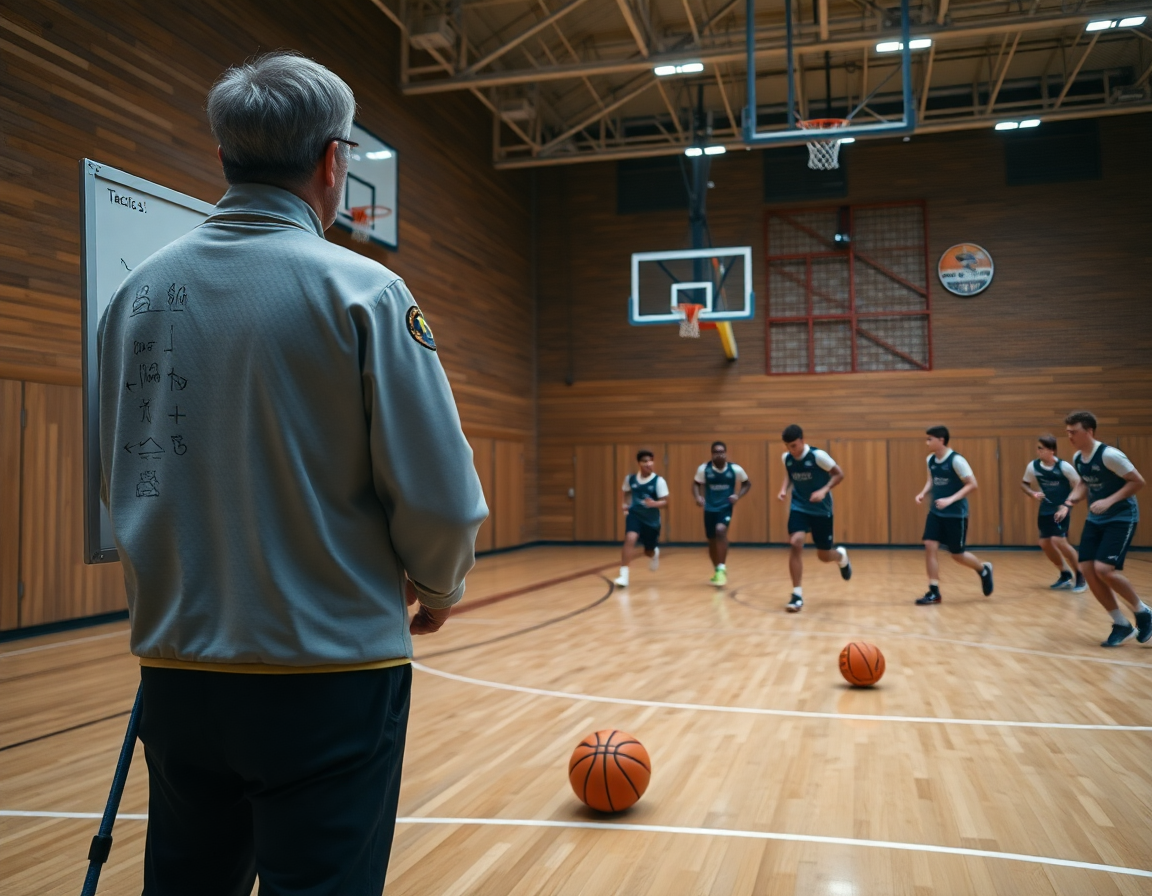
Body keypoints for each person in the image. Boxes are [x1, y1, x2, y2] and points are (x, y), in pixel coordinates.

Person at [97, 52, 487, 896]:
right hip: (330, 678)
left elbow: (120, 476)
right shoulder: (367, 291)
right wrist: (439, 586)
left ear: (223, 156)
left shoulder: (136, 297)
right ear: (332, 162)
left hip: (177, 669)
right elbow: (443, 497)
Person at [1055, 410, 1150, 647]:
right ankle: (1121, 624)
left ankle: (1143, 611)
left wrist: (1109, 501)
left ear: (1089, 431)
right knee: (1087, 569)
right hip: (1096, 520)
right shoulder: (1079, 457)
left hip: (1121, 517)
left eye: (1073, 432)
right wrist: (1068, 503)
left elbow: (1138, 481)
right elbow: (1084, 483)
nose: (1069, 437)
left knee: (1104, 569)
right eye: (1067, 432)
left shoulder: (1110, 456)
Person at [775, 425, 851, 612]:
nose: (790, 450)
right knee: (795, 542)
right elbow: (789, 475)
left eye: (793, 445)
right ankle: (796, 594)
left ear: (802, 440)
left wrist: (824, 490)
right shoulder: (787, 458)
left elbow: (839, 474)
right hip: (799, 507)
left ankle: (841, 556)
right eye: (787, 446)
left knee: (824, 556)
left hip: (821, 510)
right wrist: (784, 488)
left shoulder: (819, 457)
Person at [914, 426, 994, 604]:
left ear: (941, 440)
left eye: (930, 439)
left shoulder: (957, 460)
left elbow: (972, 484)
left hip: (956, 515)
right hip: (936, 512)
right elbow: (931, 480)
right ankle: (934, 591)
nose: (927, 442)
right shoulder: (930, 460)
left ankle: (983, 569)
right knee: (929, 545)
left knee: (957, 554)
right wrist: (922, 493)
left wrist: (950, 499)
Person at [1019, 434, 1086, 592]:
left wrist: (1067, 506)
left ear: (1052, 451)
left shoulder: (1064, 467)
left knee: (1059, 541)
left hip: (1061, 510)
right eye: (1038, 448)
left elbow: (1079, 485)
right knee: (1045, 543)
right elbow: (1024, 484)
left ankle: (1081, 576)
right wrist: (1032, 493)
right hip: (1045, 510)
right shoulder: (1033, 466)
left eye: (1041, 448)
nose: (1038, 451)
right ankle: (1064, 573)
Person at [693, 441, 751, 586]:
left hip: (725, 508)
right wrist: (698, 497)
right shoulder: (704, 469)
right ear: (712, 454)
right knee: (711, 541)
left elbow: (746, 483)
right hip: (709, 509)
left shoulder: (735, 469)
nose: (719, 454)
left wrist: (737, 495)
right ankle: (717, 570)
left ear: (725, 453)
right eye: (715, 452)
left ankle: (721, 567)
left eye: (721, 451)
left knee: (720, 531)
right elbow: (696, 483)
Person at [614, 450, 669, 587]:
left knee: (648, 551)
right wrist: (625, 505)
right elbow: (626, 492)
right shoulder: (630, 479)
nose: (648, 463)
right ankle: (623, 576)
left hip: (651, 521)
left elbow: (665, 502)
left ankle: (654, 553)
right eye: (645, 461)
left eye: (650, 460)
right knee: (630, 539)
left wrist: (654, 504)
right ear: (639, 463)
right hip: (635, 516)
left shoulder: (659, 481)